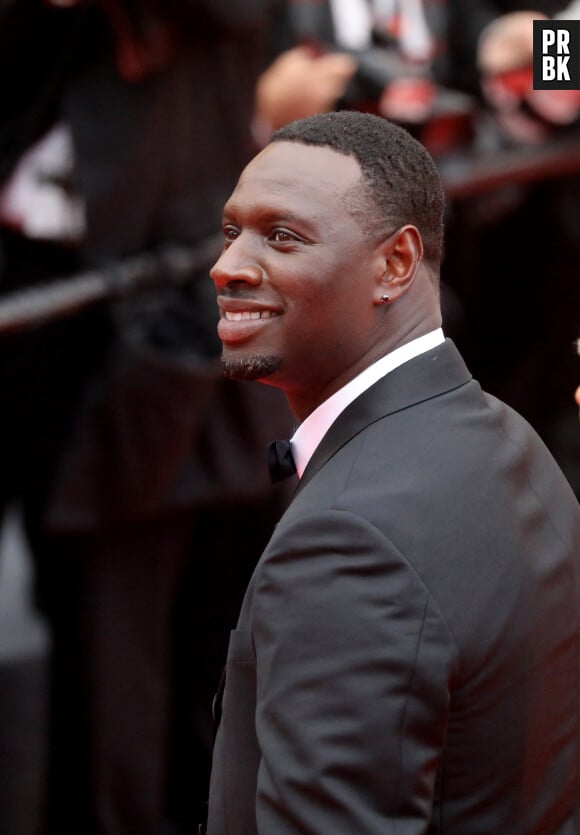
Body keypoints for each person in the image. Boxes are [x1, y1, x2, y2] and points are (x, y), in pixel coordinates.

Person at [203, 110, 580, 834]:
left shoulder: (348, 542)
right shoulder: (509, 438)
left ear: (395, 264)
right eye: (231, 232)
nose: (228, 266)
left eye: (282, 236)